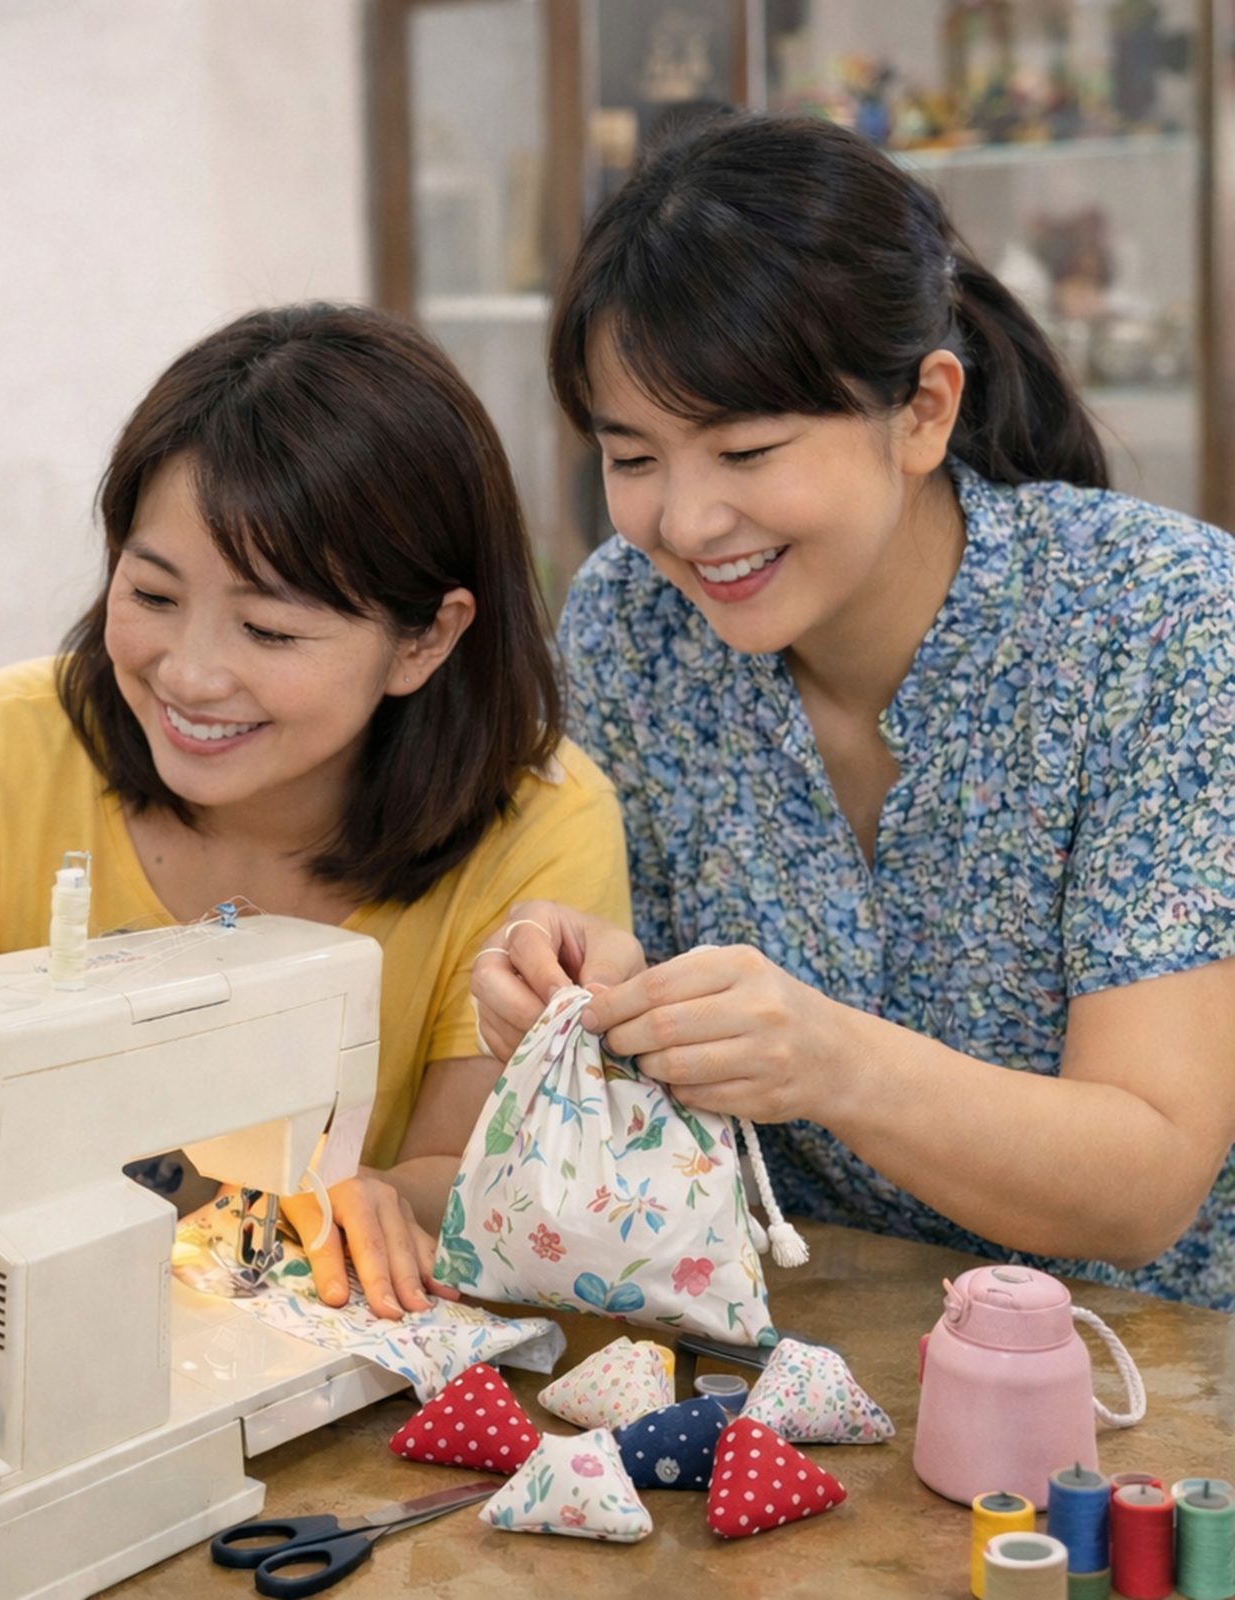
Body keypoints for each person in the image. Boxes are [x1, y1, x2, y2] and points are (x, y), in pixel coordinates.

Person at [472, 114, 1235, 1308]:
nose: (686, 522)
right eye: (633, 458)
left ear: (924, 412)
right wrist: (605, 999)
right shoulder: (632, 619)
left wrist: (832, 1060)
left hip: (1143, 1376)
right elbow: (666, 1092)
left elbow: (1144, 1183)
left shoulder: (1159, 619)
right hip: (802, 1337)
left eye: (748, 449)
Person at [0, 304, 633, 1319]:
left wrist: (377, 1198)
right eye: (150, 596)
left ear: (425, 639)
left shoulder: (536, 827)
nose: (189, 673)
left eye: (270, 630)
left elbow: (461, 1167)